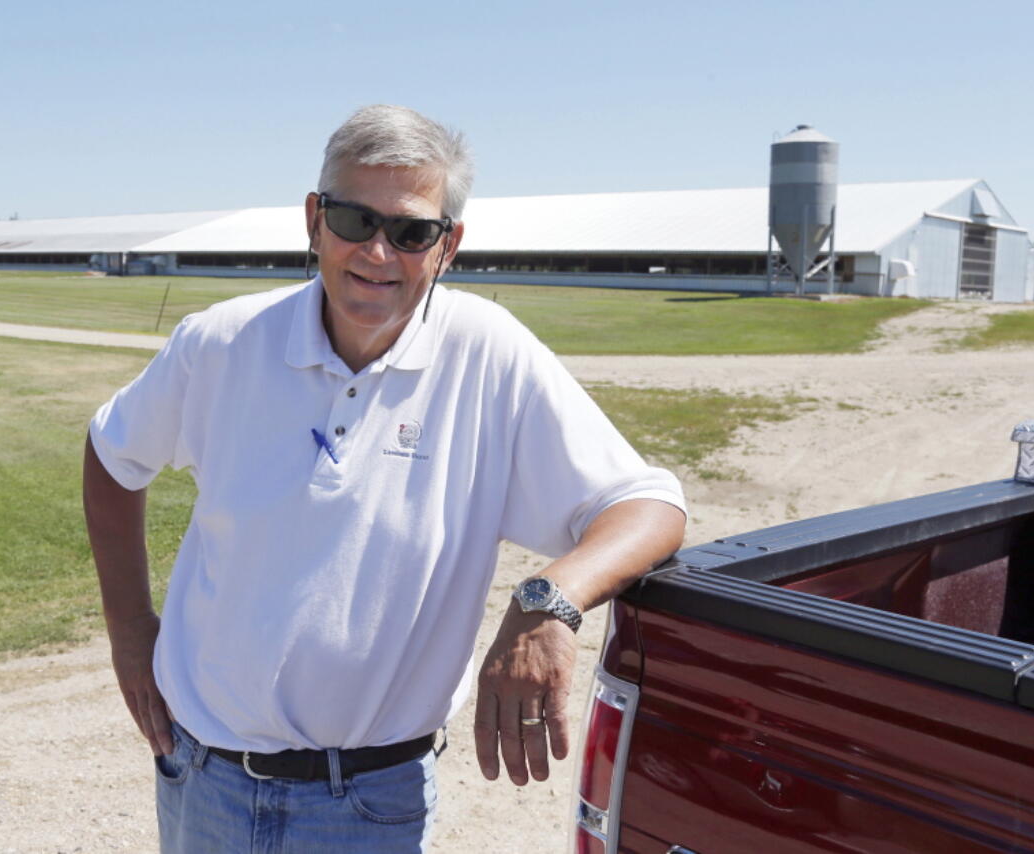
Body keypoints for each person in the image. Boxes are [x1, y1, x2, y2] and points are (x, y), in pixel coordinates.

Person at [83, 104, 686, 853]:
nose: (376, 251)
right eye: (352, 219)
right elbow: (112, 457)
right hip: (202, 776)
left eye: (410, 231)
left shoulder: (488, 356)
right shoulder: (220, 341)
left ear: (448, 247)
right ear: (313, 220)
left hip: (373, 803)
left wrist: (544, 603)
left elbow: (648, 505)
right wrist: (129, 629)